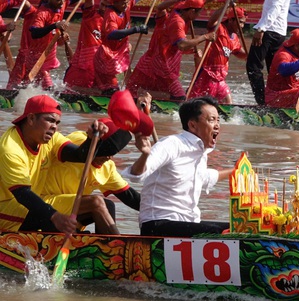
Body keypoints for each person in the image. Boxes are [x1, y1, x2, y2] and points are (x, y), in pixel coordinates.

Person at [0, 95, 115, 235]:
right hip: (5, 209)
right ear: (31, 119)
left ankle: (110, 246)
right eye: (49, 120)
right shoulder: (11, 148)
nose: (54, 127)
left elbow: (79, 155)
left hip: (29, 203)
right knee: (49, 215)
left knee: (103, 205)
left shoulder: (51, 138)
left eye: (57, 123)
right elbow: (22, 194)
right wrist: (55, 216)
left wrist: (91, 139)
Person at [123, 97, 235, 237]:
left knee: (240, 228)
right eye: (211, 120)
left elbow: (205, 177)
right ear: (193, 125)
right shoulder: (172, 144)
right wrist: (145, 154)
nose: (217, 125)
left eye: (218, 120)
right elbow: (137, 174)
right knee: (223, 234)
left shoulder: (201, 153)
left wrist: (237, 171)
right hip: (157, 225)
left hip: (187, 223)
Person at [41, 118, 141, 234]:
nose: (108, 157)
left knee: (108, 205)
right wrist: (92, 136)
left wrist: (162, 209)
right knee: (96, 202)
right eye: (105, 152)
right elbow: (82, 151)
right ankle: (119, 244)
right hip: (44, 204)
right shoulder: (78, 139)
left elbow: (131, 198)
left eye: (112, 154)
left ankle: (106, 245)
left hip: (70, 212)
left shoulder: (107, 168)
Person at [7, 0, 99, 90]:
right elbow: (34, 33)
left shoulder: (62, 4)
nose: (62, 3)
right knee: (46, 86)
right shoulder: (41, 13)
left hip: (48, 52)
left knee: (27, 84)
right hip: (35, 55)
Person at [93, 0, 169, 95]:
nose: (126, 5)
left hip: (119, 54)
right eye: (123, 3)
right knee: (112, 91)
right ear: (115, 2)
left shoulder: (126, 5)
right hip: (107, 57)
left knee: (127, 85)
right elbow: (112, 35)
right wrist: (136, 29)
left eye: (127, 2)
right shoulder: (110, 14)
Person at [246, 0, 294, 105]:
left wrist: (261, 28)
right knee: (274, 71)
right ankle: (278, 100)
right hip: (278, 31)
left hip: (269, 30)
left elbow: (276, 6)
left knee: (253, 67)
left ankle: (262, 103)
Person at [64, 0, 116, 93]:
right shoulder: (90, 14)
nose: (103, 8)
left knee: (113, 89)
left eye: (107, 7)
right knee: (79, 88)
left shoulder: (114, 22)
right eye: (102, 4)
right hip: (85, 63)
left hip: (102, 64)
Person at [189, 4, 247, 103]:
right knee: (197, 103)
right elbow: (212, 20)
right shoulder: (218, 28)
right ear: (230, 20)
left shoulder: (235, 38)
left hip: (220, 79)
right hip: (206, 75)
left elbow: (240, 54)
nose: (242, 26)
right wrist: (226, 6)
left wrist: (253, 55)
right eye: (240, 22)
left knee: (228, 103)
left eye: (243, 23)